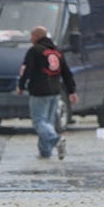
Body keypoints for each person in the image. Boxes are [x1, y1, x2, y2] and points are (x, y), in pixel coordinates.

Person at [17, 26, 79, 160]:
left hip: (39, 91)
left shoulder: (34, 51)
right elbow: (66, 73)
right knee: (48, 123)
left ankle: (56, 140)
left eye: (32, 36)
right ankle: (45, 152)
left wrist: (21, 86)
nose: (30, 39)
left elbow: (27, 70)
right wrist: (71, 91)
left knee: (39, 122)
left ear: (37, 37)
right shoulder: (56, 52)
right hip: (55, 92)